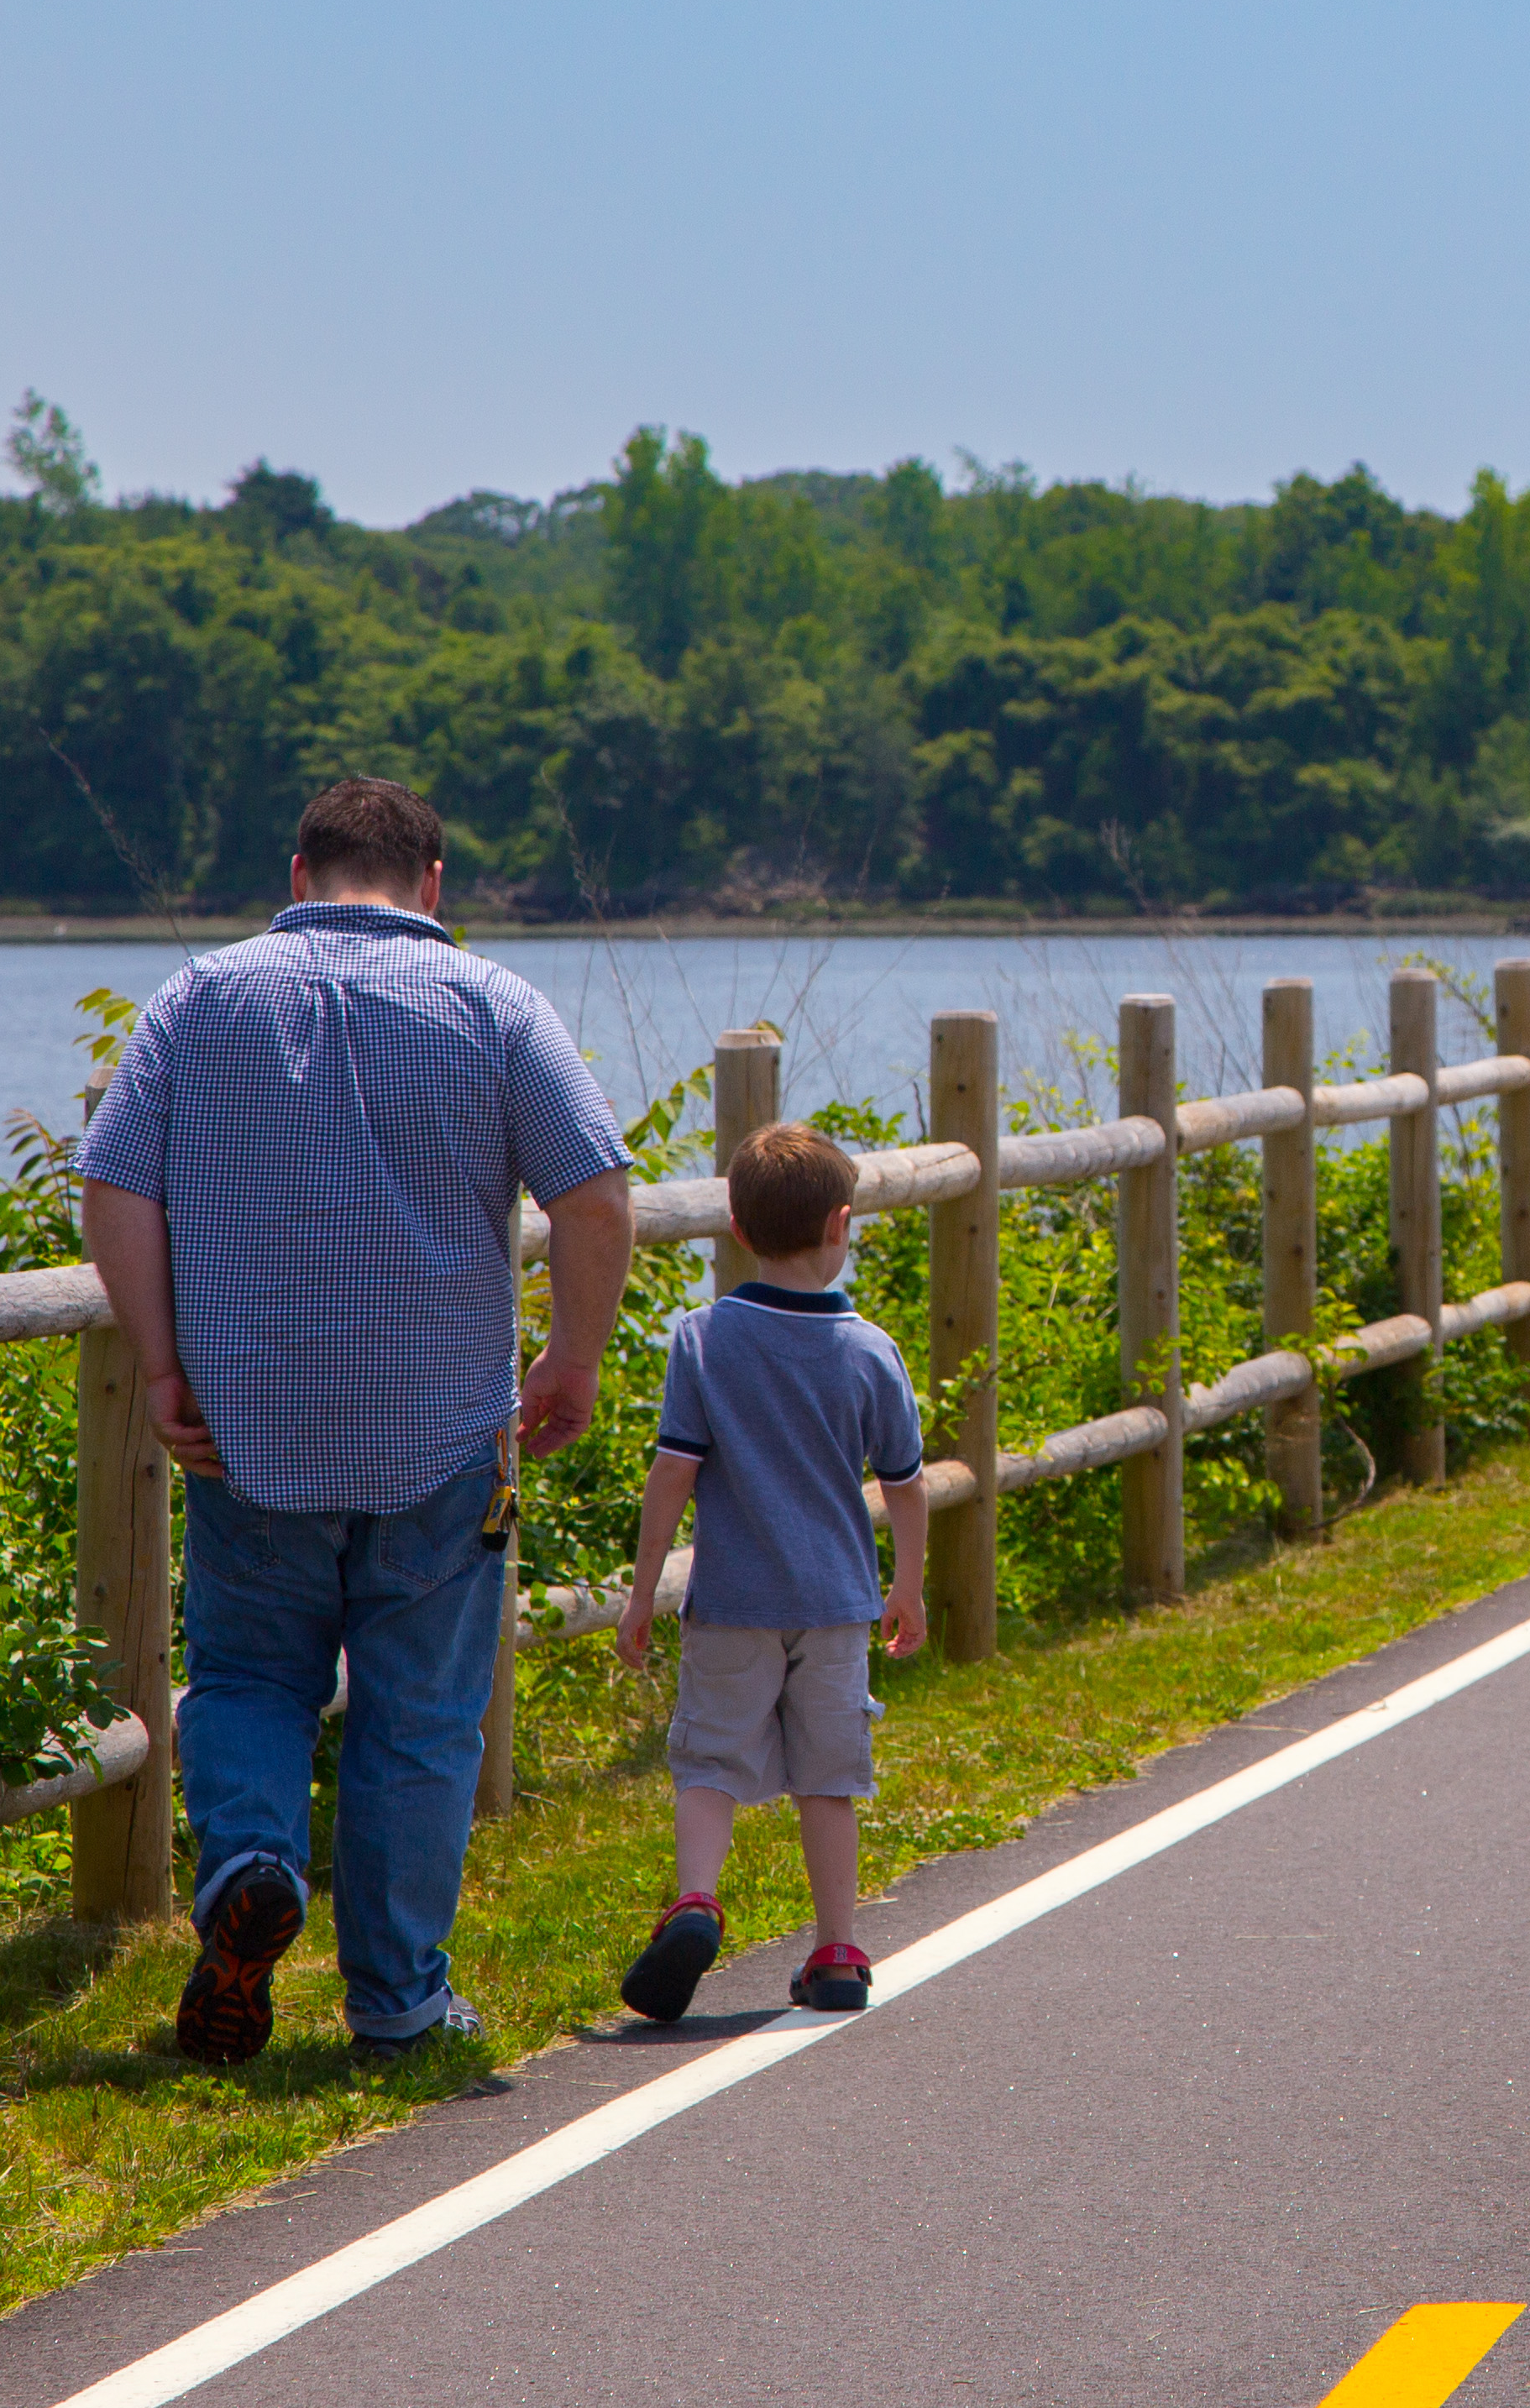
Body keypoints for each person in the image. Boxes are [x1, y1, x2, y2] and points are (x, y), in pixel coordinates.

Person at [78, 777, 637, 2064]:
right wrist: (574, 1359)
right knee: (421, 1719)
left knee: (252, 1678)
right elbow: (597, 1195)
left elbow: (111, 1181)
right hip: (442, 1429)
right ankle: (397, 2000)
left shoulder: (201, 999)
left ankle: (254, 1867)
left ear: (298, 871)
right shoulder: (498, 1008)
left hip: (247, 1425)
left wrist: (165, 1367)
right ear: (432, 881)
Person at [610, 1121, 930, 2024]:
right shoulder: (872, 1351)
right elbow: (904, 1488)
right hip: (834, 1606)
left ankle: (698, 1901)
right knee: (829, 1778)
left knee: (710, 1762)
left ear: (739, 1231)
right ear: (841, 1223)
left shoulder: (703, 1340)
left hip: (731, 1604)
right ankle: (835, 1952)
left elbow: (672, 1473)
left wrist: (642, 1596)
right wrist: (905, 1585)